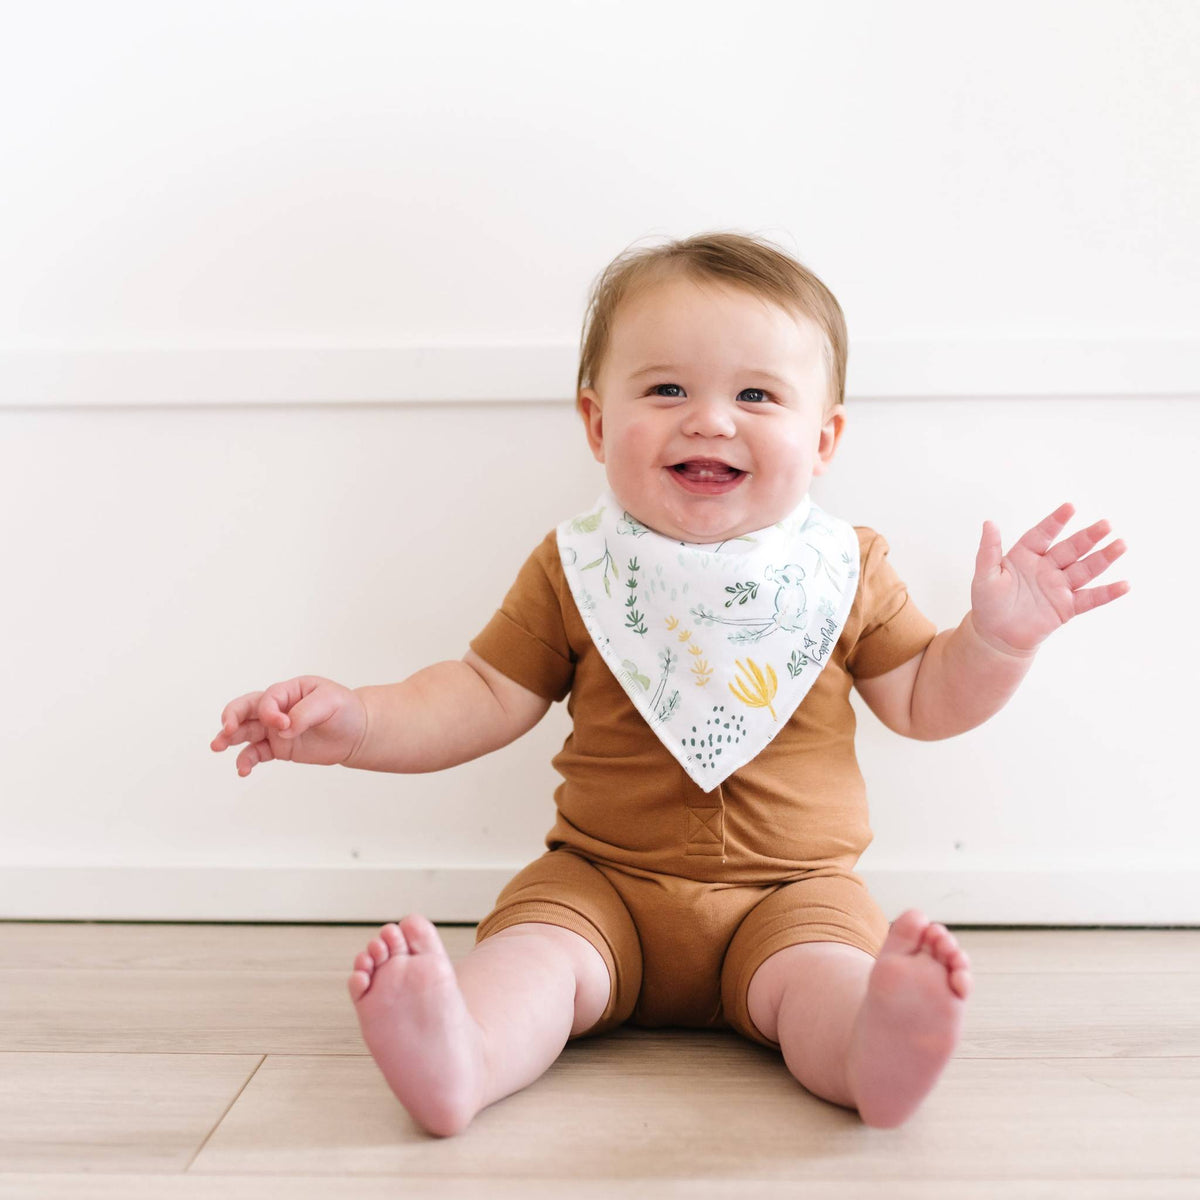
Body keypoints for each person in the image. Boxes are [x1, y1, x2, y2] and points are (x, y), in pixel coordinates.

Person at [210, 231, 1130, 1137]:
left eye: (756, 394)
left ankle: (870, 1051)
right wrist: (359, 723)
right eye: (667, 389)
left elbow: (926, 700)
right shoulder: (577, 568)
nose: (711, 418)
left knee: (825, 974)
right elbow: (481, 693)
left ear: (825, 438)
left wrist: (999, 643)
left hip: (794, 892)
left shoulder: (845, 570)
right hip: (601, 881)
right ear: (598, 425)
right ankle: (466, 1054)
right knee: (532, 956)